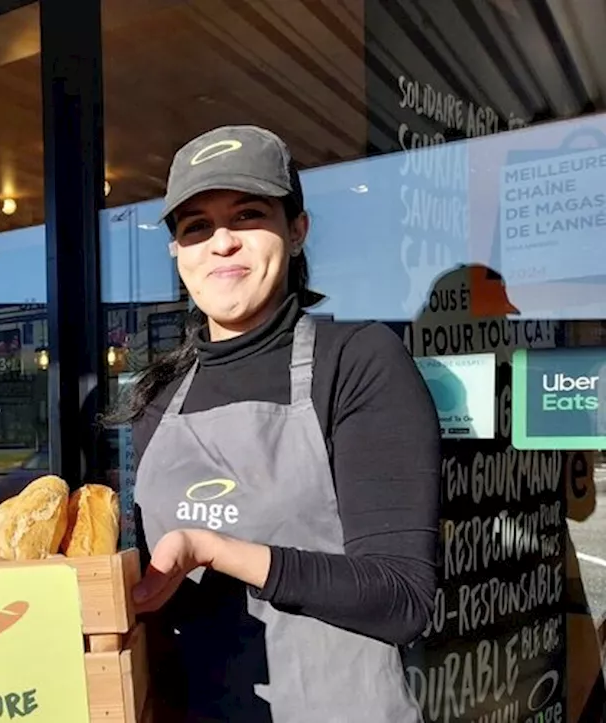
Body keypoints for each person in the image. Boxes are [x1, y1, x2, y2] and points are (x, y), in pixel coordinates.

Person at [118, 125, 441, 721]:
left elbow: (403, 598)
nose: (222, 243)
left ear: (297, 230)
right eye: (197, 227)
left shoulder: (358, 362)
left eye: (247, 215)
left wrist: (216, 550)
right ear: (178, 255)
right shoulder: (160, 399)